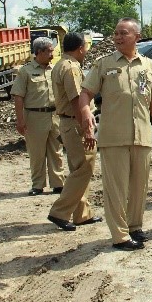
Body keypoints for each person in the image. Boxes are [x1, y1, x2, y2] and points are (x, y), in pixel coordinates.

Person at [79, 18, 152, 251]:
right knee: (116, 188)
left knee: (140, 186)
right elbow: (85, 94)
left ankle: (135, 226)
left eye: (123, 33)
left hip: (142, 136)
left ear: (137, 36)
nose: (117, 37)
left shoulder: (148, 66)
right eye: (115, 33)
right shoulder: (104, 64)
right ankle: (120, 235)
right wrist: (86, 114)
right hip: (113, 137)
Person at [46, 32, 103, 232]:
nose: (86, 51)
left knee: (78, 168)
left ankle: (82, 214)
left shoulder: (61, 64)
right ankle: (59, 212)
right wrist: (87, 129)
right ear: (80, 48)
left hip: (68, 122)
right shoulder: (70, 68)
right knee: (84, 169)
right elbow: (77, 101)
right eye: (85, 48)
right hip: (75, 123)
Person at [12, 37, 65, 196]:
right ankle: (38, 185)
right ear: (39, 52)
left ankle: (58, 183)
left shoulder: (55, 69)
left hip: (55, 116)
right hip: (34, 117)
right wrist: (20, 120)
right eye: (49, 51)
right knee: (37, 153)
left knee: (56, 151)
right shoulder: (25, 71)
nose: (52, 54)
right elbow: (18, 96)